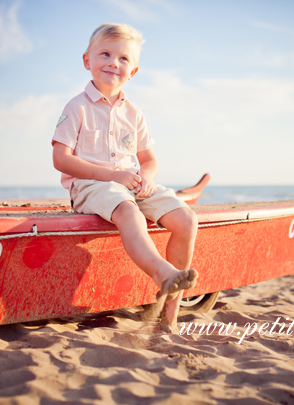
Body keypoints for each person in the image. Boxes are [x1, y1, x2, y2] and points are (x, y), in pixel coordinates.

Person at [51, 23, 198, 331]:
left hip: (130, 183)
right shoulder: (76, 107)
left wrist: (146, 177)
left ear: (133, 71)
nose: (113, 63)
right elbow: (60, 159)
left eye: (123, 59)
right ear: (86, 60)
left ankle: (169, 317)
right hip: (92, 186)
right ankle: (162, 273)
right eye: (105, 53)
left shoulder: (134, 113)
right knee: (128, 210)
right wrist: (111, 175)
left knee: (186, 220)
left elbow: (149, 159)